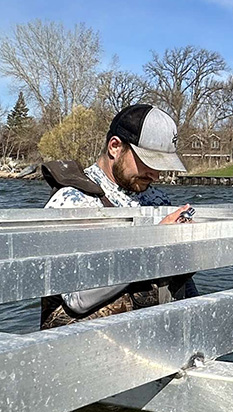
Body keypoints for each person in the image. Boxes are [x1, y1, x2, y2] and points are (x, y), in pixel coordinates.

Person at [40, 104, 197, 329]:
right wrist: (156, 240)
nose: (156, 174)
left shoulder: (157, 200)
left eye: (162, 165)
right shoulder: (73, 201)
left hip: (155, 342)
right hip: (87, 349)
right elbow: (77, 299)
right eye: (149, 162)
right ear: (115, 147)